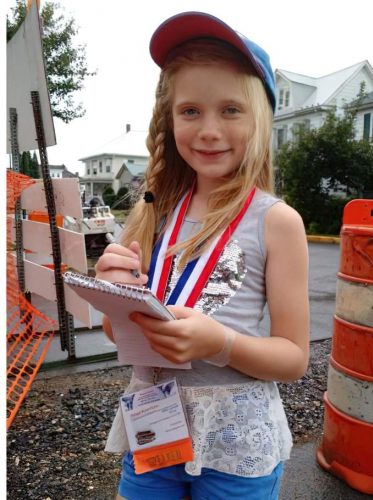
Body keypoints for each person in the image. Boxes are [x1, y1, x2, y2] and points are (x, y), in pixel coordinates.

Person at [95, 11, 310, 500]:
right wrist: (114, 299)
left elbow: (295, 358)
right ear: (169, 121)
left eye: (231, 109)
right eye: (190, 111)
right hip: (154, 424)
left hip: (236, 437)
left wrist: (222, 344)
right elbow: (121, 334)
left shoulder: (277, 221)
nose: (209, 129)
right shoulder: (152, 213)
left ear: (260, 118)